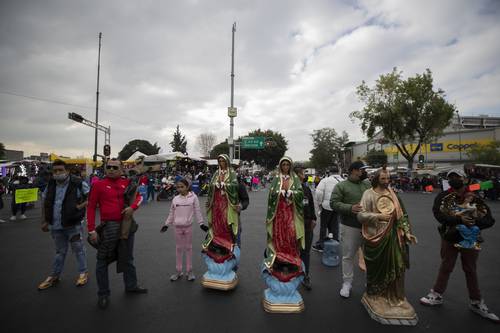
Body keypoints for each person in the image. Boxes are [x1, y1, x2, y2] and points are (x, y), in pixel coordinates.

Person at [420, 169, 498, 323]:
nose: (454, 179)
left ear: (464, 179)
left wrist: (474, 222)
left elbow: (489, 220)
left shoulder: (474, 197)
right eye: (451, 177)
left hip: (469, 239)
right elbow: (438, 214)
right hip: (449, 237)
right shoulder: (443, 196)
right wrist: (459, 221)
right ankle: (436, 294)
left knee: (470, 269)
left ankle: (476, 302)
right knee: (446, 265)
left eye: (457, 177)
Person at [357, 169, 418, 324]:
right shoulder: (368, 194)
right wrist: (378, 216)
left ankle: (396, 297)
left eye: (388, 178)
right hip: (376, 237)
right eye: (383, 178)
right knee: (378, 268)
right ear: (376, 179)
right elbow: (360, 215)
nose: (386, 180)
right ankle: (375, 296)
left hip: (394, 237)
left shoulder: (393, 195)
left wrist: (407, 232)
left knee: (398, 265)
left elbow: (402, 215)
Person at [87, 158, 147, 310]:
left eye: (115, 167)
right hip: (108, 228)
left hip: (127, 226)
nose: (112, 170)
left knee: (128, 258)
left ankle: (131, 286)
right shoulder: (98, 185)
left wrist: (132, 207)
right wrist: (91, 230)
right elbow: (91, 207)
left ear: (121, 169)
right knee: (102, 261)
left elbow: (139, 197)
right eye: (109, 167)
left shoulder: (127, 183)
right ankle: (103, 294)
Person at [38, 159, 90, 290]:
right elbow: (45, 203)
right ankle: (54, 275)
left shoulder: (77, 183)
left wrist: (79, 207)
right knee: (59, 251)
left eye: (60, 170)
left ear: (67, 171)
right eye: (55, 171)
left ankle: (83, 273)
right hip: (55, 225)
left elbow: (91, 197)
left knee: (78, 249)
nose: (57, 173)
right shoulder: (51, 184)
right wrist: (44, 221)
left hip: (73, 224)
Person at [331, 161, 371, 298]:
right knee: (348, 256)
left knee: (370, 257)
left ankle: (370, 283)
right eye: (362, 169)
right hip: (350, 226)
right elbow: (334, 203)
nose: (364, 172)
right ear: (354, 170)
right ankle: (347, 283)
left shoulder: (368, 184)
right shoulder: (341, 186)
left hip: (369, 226)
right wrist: (350, 208)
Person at [263, 157, 305, 283]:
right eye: (283, 165)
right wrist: (279, 192)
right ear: (281, 166)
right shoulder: (277, 178)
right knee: (278, 234)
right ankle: (279, 259)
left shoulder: (295, 178)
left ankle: (290, 258)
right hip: (279, 213)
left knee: (291, 234)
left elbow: (300, 193)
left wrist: (292, 193)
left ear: (290, 166)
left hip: (291, 213)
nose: (285, 167)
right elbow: (271, 194)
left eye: (287, 164)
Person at [161, 179, 208, 281]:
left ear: (187, 187)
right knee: (178, 249)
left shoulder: (194, 197)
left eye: (182, 187)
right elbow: (171, 213)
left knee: (188, 248)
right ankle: (178, 271)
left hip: (188, 227)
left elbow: (197, 211)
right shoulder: (175, 199)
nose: (179, 189)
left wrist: (201, 224)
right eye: (178, 187)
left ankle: (189, 271)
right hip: (177, 227)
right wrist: (166, 224)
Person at [202, 154, 240, 267]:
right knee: (216, 222)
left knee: (225, 222)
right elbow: (211, 185)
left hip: (226, 203)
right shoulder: (216, 173)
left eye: (223, 161)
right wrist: (216, 184)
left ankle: (226, 243)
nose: (221, 163)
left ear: (227, 162)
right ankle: (217, 243)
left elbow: (235, 185)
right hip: (216, 203)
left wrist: (225, 185)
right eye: (220, 161)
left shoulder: (231, 173)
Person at [294, 166, 316, 290]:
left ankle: (305, 275)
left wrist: (314, 219)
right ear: (298, 175)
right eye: (303, 173)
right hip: (294, 225)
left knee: (306, 252)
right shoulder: (289, 189)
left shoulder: (306, 189)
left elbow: (311, 205)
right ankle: (292, 273)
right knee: (294, 251)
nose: (305, 175)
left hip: (307, 226)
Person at [313, 166, 343, 252]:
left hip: (326, 206)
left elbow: (318, 193)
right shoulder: (343, 180)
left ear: (329, 172)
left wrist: (320, 204)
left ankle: (321, 244)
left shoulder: (325, 180)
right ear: (338, 171)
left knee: (324, 226)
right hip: (337, 207)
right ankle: (335, 242)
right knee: (334, 225)